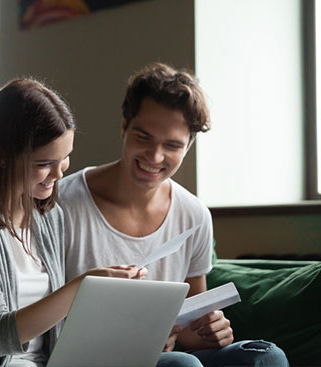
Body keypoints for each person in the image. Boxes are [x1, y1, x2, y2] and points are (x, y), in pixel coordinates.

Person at [58, 62, 289, 367]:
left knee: (266, 356)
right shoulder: (62, 202)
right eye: (143, 137)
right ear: (124, 127)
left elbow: (190, 325)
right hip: (89, 358)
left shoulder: (194, 215)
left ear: (189, 145)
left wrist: (207, 331)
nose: (155, 157)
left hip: (163, 356)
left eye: (172, 145)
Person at [0, 78, 146, 367]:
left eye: (65, 159)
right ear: (1, 157)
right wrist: (83, 286)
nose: (59, 174)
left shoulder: (49, 217)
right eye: (43, 164)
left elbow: (54, 331)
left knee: (178, 364)